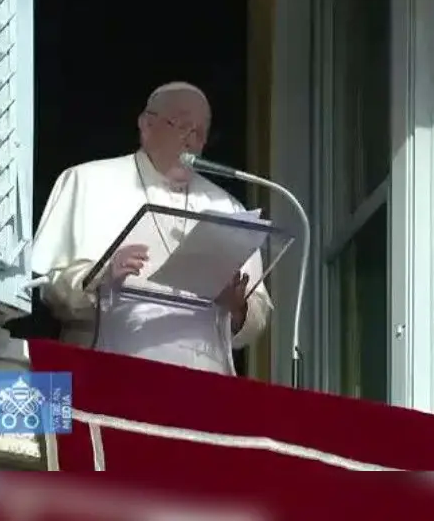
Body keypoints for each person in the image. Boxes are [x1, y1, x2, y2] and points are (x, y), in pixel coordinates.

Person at [30, 82, 273, 375]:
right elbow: (48, 286)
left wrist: (237, 310)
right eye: (182, 126)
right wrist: (101, 277)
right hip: (109, 375)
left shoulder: (227, 207)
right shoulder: (87, 182)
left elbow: (258, 312)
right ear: (147, 125)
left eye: (200, 133)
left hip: (204, 385)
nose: (191, 142)